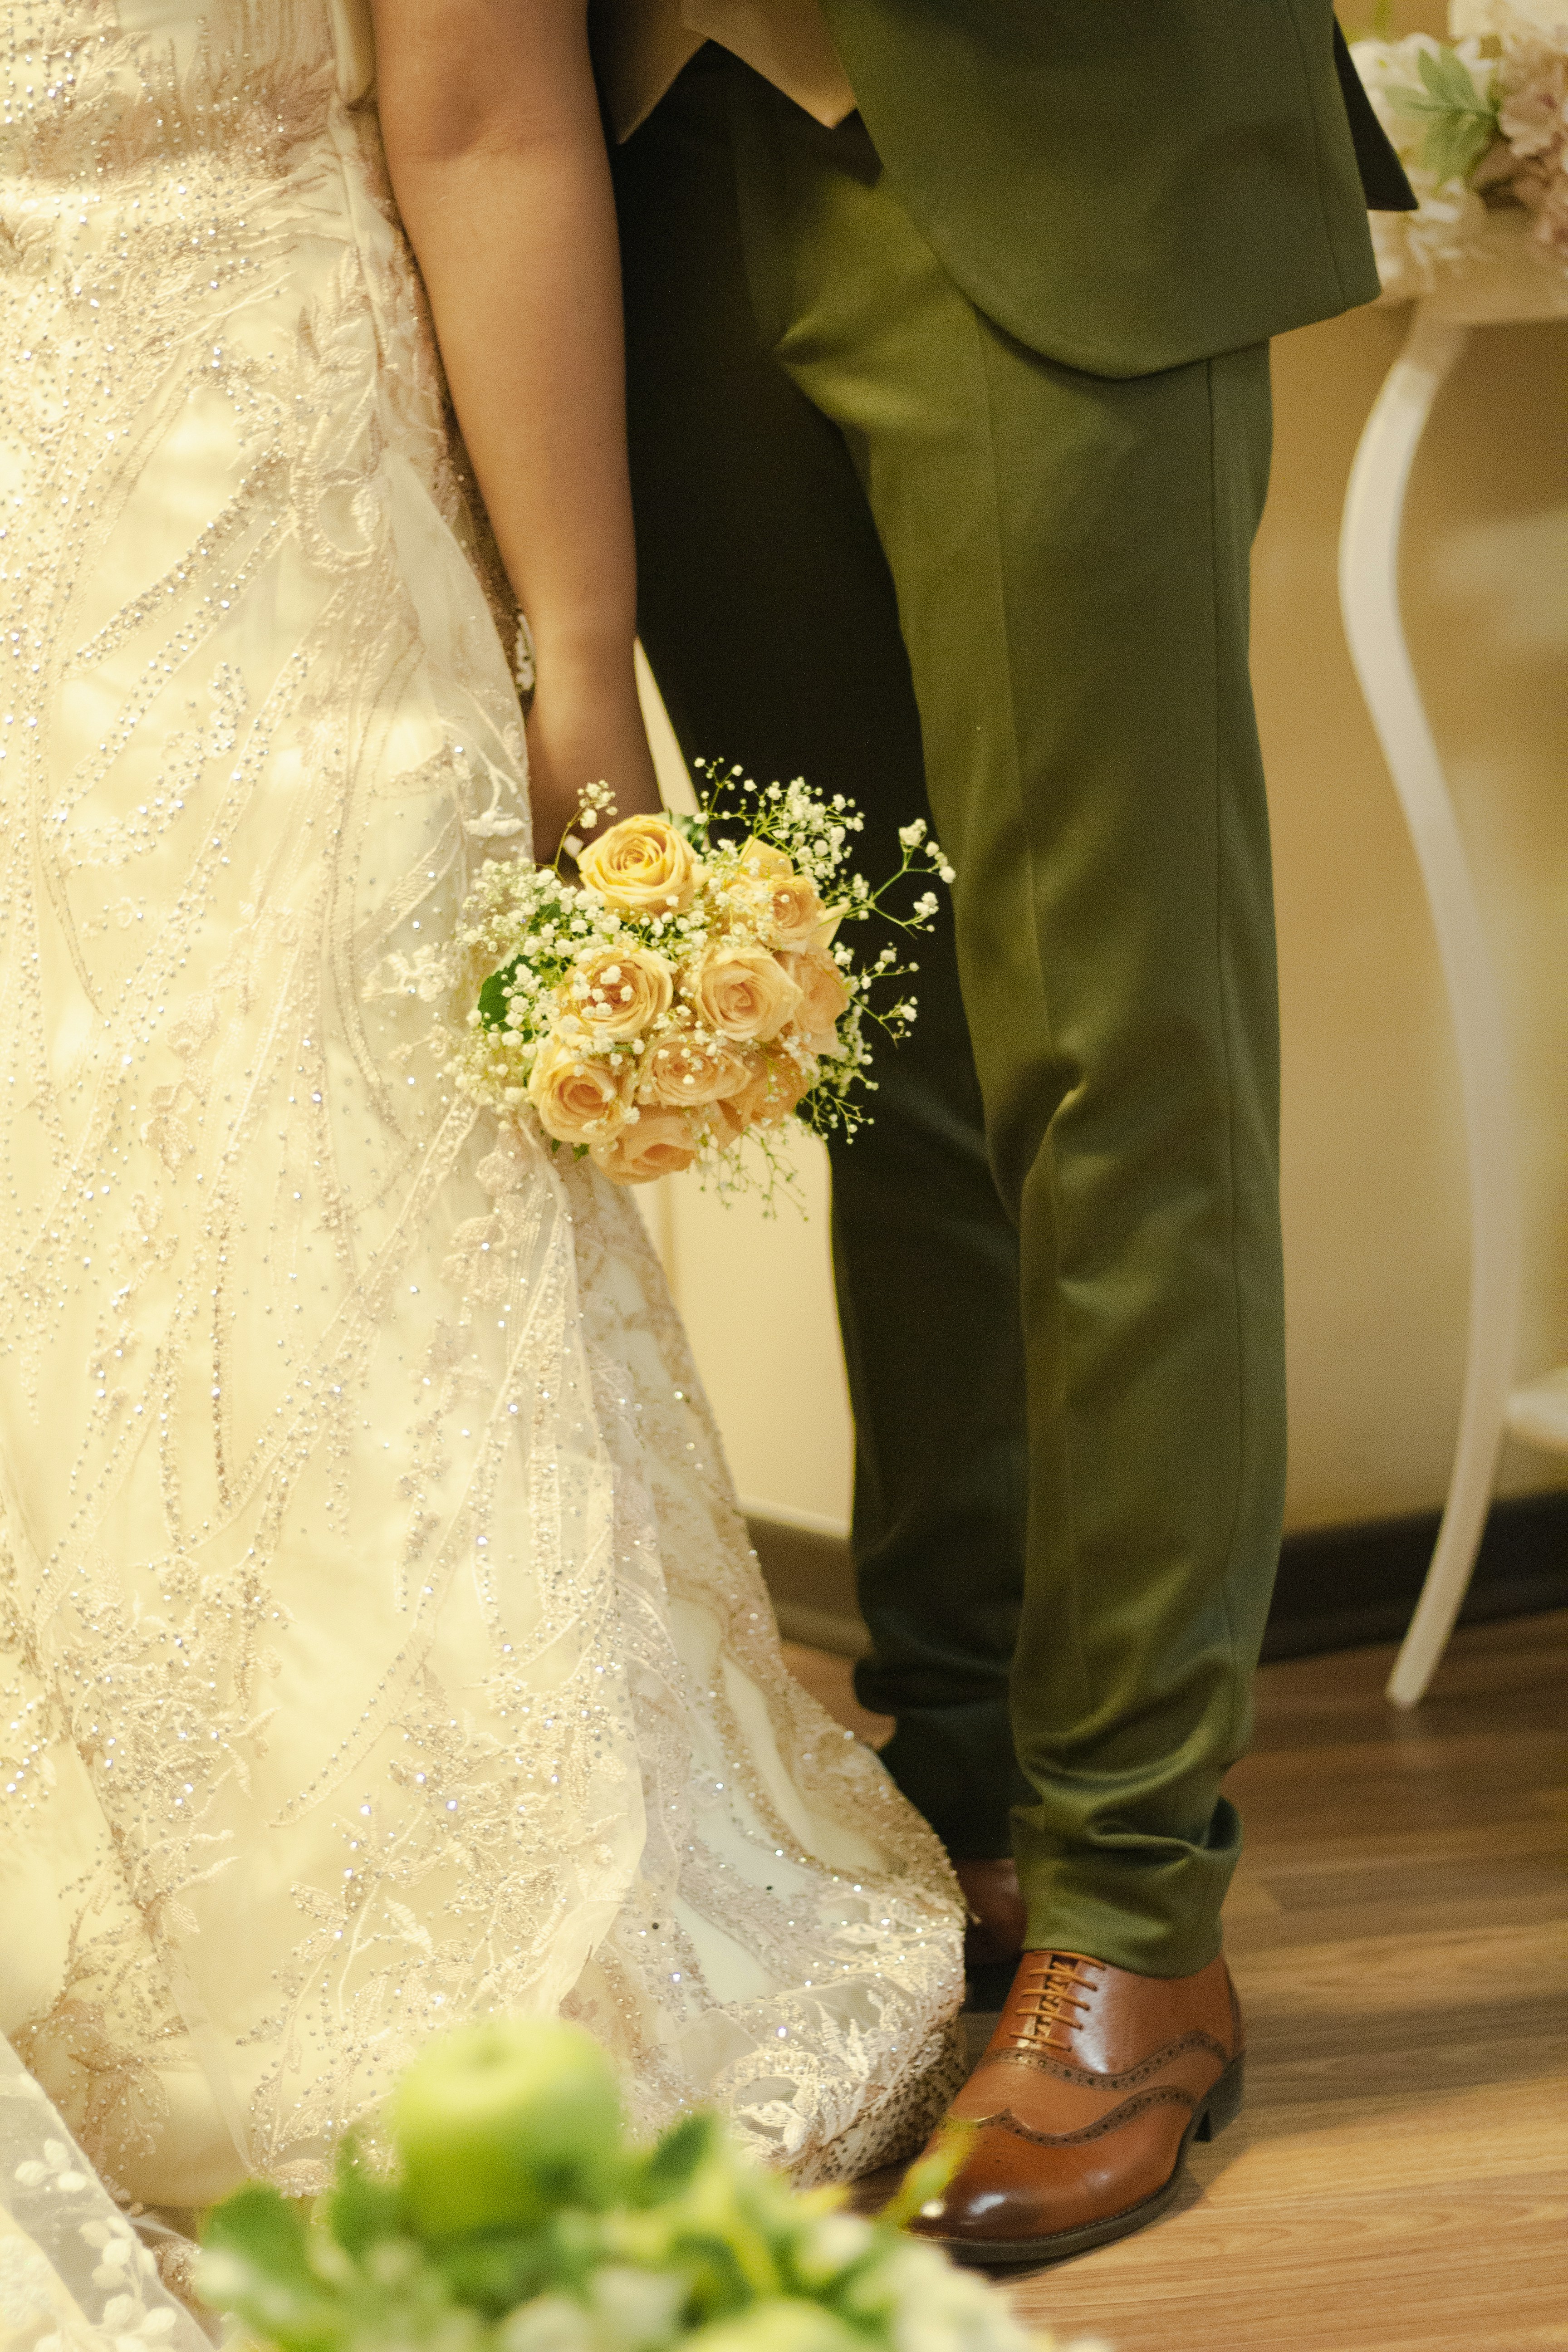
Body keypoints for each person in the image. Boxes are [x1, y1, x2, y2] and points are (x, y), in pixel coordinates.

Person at [0, 0, 965, 2229]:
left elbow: (489, 118)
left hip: (292, 545)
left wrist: (578, 652)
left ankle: (444, 1939)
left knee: (335, 1214)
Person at [599, 0, 1414, 2264]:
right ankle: (965, 1805)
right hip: (650, 151)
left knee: (1115, 1058)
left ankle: (1136, 1904)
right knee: (877, 1048)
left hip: (1056, 110)